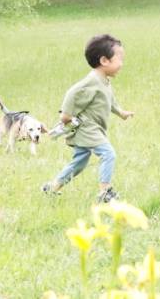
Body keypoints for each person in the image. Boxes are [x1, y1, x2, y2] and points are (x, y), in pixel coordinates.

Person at [42, 34, 134, 202]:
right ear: (104, 61)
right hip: (87, 128)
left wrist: (121, 113)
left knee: (79, 163)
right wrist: (65, 115)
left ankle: (52, 187)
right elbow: (73, 92)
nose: (122, 64)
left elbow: (109, 99)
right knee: (108, 154)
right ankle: (105, 192)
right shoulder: (91, 81)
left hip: (93, 128)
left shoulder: (104, 81)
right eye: (119, 59)